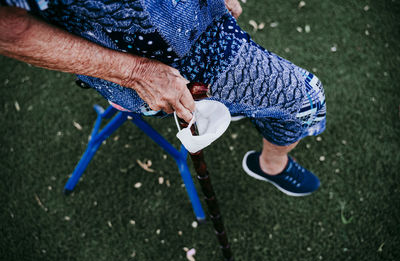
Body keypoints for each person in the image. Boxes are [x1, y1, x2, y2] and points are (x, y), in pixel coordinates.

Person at [0, 0, 325, 196]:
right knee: (306, 100)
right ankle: (271, 165)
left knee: (244, 87)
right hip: (155, 58)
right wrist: (134, 73)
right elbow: (9, 29)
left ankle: (232, 105)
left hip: (204, 22)